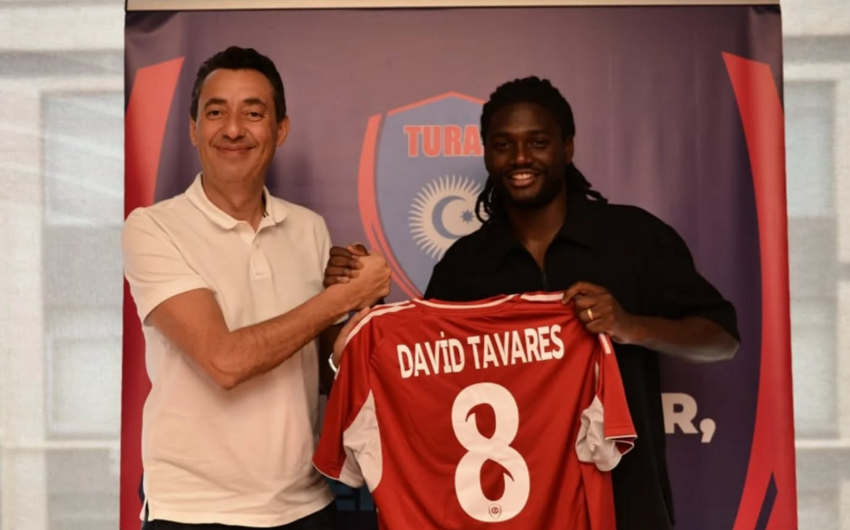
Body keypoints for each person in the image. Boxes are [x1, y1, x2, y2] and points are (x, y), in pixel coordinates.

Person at [324, 76, 739, 529]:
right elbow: (426, 387)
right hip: (508, 512)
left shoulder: (635, 238)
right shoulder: (465, 265)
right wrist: (359, 305)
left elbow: (722, 340)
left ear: (567, 147)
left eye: (537, 142)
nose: (520, 158)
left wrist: (630, 326)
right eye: (503, 145)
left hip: (625, 506)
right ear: (487, 153)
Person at [122, 46, 390, 530]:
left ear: (280, 129)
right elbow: (224, 362)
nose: (233, 129)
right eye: (215, 112)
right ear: (193, 129)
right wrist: (339, 298)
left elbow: (327, 373)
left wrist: (363, 305)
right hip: (193, 513)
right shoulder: (152, 228)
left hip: (306, 505)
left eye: (253, 112)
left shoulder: (309, 228)